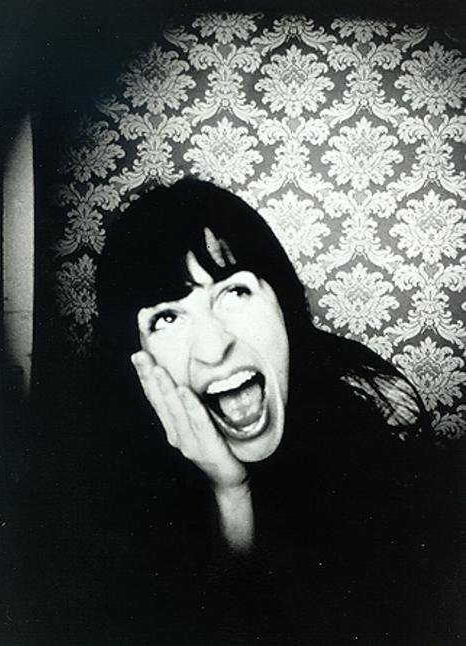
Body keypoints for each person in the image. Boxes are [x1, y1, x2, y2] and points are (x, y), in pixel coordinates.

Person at [91, 178, 460, 646]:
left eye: (234, 292)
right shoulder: (100, 472)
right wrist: (230, 493)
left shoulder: (376, 401)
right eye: (166, 317)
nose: (213, 348)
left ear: (281, 301)